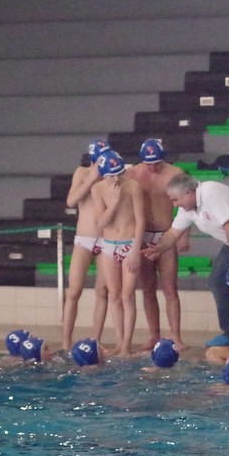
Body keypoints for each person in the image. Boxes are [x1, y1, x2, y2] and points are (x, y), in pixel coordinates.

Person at [143, 173, 229, 348]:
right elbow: (174, 233)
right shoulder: (188, 209)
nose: (175, 205)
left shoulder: (211, 193)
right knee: (217, 281)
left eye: (176, 200)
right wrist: (158, 249)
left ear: (188, 192)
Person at [126, 138, 190, 351]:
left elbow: (188, 204)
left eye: (157, 163)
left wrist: (184, 235)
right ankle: (154, 335)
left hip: (166, 235)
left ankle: (176, 337)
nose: (153, 168)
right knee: (147, 287)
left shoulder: (175, 174)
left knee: (170, 288)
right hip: (143, 236)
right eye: (149, 164)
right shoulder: (132, 174)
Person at [90, 150, 145, 356]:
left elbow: (140, 220)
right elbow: (101, 223)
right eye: (111, 175)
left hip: (130, 244)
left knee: (127, 295)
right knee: (113, 295)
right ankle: (120, 342)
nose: (116, 179)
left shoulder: (133, 187)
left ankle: (127, 345)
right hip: (109, 245)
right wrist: (113, 202)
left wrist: (136, 250)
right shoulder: (97, 189)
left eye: (118, 174)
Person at [62, 140, 111, 350]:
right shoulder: (81, 173)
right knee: (74, 292)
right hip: (84, 240)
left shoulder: (112, 174)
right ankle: (66, 341)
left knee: (102, 291)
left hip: (106, 241)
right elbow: (71, 201)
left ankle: (95, 341)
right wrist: (91, 179)